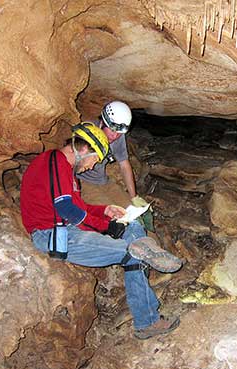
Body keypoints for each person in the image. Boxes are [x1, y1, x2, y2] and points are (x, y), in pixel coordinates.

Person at [20, 123, 182, 339]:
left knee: (133, 227)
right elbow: (67, 210)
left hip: (68, 227)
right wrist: (107, 227)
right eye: (94, 160)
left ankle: (142, 253)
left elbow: (79, 208)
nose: (90, 166)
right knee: (132, 253)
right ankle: (147, 321)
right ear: (84, 149)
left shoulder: (67, 171)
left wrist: (105, 211)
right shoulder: (54, 161)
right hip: (52, 234)